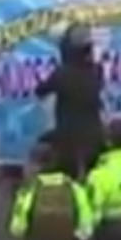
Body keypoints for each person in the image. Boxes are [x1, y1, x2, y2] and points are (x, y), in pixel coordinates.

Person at [36, 24, 102, 176]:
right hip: (93, 134)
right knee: (94, 177)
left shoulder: (62, 74)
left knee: (68, 179)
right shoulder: (96, 71)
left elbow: (40, 91)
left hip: (68, 137)